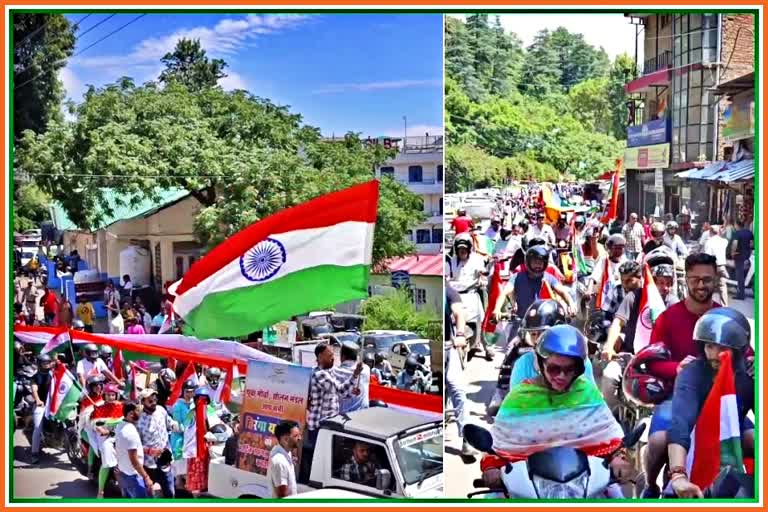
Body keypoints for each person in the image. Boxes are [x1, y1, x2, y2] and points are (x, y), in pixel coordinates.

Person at [482, 325, 632, 495]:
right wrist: (492, 467)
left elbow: (612, 438)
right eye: (554, 369)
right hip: (528, 485)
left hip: (585, 482)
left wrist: (619, 458)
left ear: (578, 369)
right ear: (540, 363)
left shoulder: (588, 393)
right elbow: (497, 444)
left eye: (569, 369)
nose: (561, 376)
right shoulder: (519, 397)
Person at [640, 252, 723, 498]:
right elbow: (651, 362)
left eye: (707, 279)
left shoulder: (724, 318)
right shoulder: (668, 318)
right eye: (695, 279)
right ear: (685, 280)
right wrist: (676, 368)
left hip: (718, 398)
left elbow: (746, 354)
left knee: (752, 438)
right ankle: (651, 485)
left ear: (715, 280)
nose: (701, 285)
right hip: (675, 395)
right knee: (656, 442)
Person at [667, 308, 754, 498]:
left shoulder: (751, 375)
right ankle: (650, 485)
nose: (714, 355)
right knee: (658, 442)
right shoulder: (691, 374)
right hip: (694, 440)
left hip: (733, 434)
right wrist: (678, 475)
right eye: (709, 346)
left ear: (739, 350)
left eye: (722, 349)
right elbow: (681, 423)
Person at [303, 343, 363, 478]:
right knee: (319, 459)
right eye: (329, 356)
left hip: (329, 422)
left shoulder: (330, 371)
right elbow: (339, 389)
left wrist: (352, 391)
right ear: (320, 357)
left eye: (333, 356)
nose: (333, 359)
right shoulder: (319, 374)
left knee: (329, 458)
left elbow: (338, 394)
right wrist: (355, 375)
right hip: (320, 424)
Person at [508, 299, 596, 387]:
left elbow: (590, 396)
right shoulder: (523, 364)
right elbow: (516, 398)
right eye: (533, 334)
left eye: (543, 335)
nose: (537, 340)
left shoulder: (581, 362)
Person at [493, 246, 577, 322]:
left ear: (545, 264)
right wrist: (497, 309)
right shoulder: (517, 277)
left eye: (540, 262)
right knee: (514, 339)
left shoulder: (548, 277)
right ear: (528, 262)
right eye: (535, 262)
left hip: (545, 322)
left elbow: (563, 292)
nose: (538, 265)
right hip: (522, 322)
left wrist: (571, 304)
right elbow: (504, 293)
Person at [446, 233, 489, 359]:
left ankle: (487, 345)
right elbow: (446, 276)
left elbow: (482, 270)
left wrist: (482, 275)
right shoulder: (450, 261)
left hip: (471, 294)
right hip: (453, 295)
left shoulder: (476, 259)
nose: (462, 251)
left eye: (465, 248)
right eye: (460, 248)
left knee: (484, 317)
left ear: (469, 248)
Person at [444, 281, 474, 458]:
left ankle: (467, 439)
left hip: (450, 347)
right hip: (434, 350)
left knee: (458, 391)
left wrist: (461, 334)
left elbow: (459, 313)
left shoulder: (449, 292)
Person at [137, 388, 179, 498]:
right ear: (143, 402)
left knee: (170, 491)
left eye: (155, 400)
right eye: (150, 401)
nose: (154, 403)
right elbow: (136, 446)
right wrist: (150, 451)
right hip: (149, 464)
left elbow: (169, 422)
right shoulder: (139, 420)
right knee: (149, 494)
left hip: (165, 460)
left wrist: (174, 425)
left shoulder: (161, 410)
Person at [91, 383, 123, 498]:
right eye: (108, 395)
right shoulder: (99, 408)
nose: (111, 397)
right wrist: (101, 429)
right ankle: (100, 491)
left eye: (113, 395)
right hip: (106, 438)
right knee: (107, 463)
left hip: (120, 436)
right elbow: (95, 424)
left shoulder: (121, 406)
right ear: (104, 396)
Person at [115, 400, 153, 498]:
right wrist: (146, 477)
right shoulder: (130, 433)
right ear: (131, 414)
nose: (141, 413)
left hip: (124, 473)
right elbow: (134, 460)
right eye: (138, 411)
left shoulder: (120, 425)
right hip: (133, 477)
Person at [587, 234, 628, 304]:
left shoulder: (625, 262)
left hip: (620, 298)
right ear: (610, 249)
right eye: (616, 248)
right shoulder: (604, 260)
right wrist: (589, 290)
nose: (618, 251)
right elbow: (594, 277)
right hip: (602, 298)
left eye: (620, 248)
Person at [29, 354, 54, 464]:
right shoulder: (35, 377)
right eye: (44, 363)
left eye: (48, 362)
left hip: (53, 405)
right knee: (38, 428)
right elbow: (34, 390)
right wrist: (38, 400)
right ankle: (34, 453)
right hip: (41, 405)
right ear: (39, 364)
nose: (47, 365)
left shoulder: (53, 375)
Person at [332, 341, 370, 413]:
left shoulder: (337, 371)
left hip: (346, 415)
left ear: (343, 356)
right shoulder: (366, 369)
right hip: (365, 413)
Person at [267, 420, 301, 498]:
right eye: (296, 436)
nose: (300, 438)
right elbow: (282, 496)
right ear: (285, 439)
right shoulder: (279, 461)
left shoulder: (286, 452)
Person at [703, 225, 730, 307]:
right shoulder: (724, 241)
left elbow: (707, 255)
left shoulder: (709, 242)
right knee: (722, 287)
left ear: (710, 232)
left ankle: (707, 306)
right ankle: (725, 306)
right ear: (718, 232)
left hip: (713, 266)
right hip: (722, 266)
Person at [731, 219, 754, 300]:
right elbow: (751, 244)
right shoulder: (749, 233)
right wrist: (748, 253)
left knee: (739, 276)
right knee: (744, 275)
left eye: (734, 225)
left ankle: (740, 295)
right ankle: (741, 292)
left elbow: (735, 244)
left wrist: (733, 253)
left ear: (737, 225)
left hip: (739, 256)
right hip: (747, 257)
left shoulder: (737, 233)